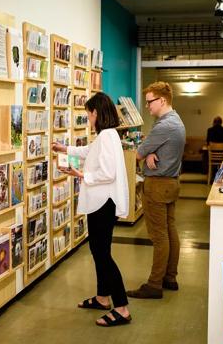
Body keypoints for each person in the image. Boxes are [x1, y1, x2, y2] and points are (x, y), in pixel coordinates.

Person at [52, 92, 131, 327]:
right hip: (102, 202)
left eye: (88, 113)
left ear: (96, 112)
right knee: (99, 251)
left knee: (103, 254)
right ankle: (102, 297)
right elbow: (89, 152)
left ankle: (122, 308)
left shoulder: (107, 136)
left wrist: (80, 174)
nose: (88, 117)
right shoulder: (108, 136)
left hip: (102, 203)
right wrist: (65, 149)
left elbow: (107, 173)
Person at [126, 81, 186, 299]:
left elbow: (139, 153)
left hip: (158, 185)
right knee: (170, 231)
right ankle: (170, 277)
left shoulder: (163, 126)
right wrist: (151, 153)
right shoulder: (176, 121)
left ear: (162, 100)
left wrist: (147, 153)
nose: (147, 106)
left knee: (159, 236)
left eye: (150, 101)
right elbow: (150, 151)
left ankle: (154, 284)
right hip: (171, 182)